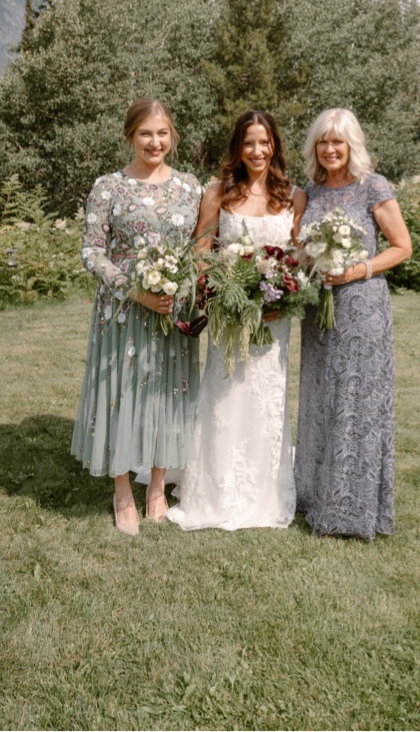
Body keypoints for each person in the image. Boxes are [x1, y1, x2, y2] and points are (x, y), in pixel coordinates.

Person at [72, 98, 203, 536]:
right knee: (122, 393)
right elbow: (91, 251)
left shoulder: (190, 187)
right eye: (145, 133)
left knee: (170, 391)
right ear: (130, 135)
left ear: (173, 136)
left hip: (173, 310)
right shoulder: (108, 187)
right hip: (124, 311)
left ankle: (157, 488)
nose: (155, 141)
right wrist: (135, 290)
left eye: (162, 133)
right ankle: (123, 491)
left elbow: (202, 248)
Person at [167, 110, 298, 531]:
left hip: (274, 318)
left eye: (264, 142)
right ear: (237, 148)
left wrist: (288, 291)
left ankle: (264, 488)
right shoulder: (218, 192)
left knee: (267, 394)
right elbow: (202, 248)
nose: (257, 151)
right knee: (225, 391)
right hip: (230, 312)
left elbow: (297, 258)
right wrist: (221, 290)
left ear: (274, 144)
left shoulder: (293, 197)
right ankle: (217, 486)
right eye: (248, 143)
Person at [293, 108, 412, 540]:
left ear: (352, 145)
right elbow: (298, 248)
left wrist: (356, 270)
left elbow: (402, 247)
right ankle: (314, 498)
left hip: (362, 306)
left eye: (337, 142)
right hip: (318, 309)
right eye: (322, 141)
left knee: (357, 402)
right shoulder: (310, 191)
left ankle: (356, 509)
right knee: (321, 397)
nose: (329, 149)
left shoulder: (373, 187)